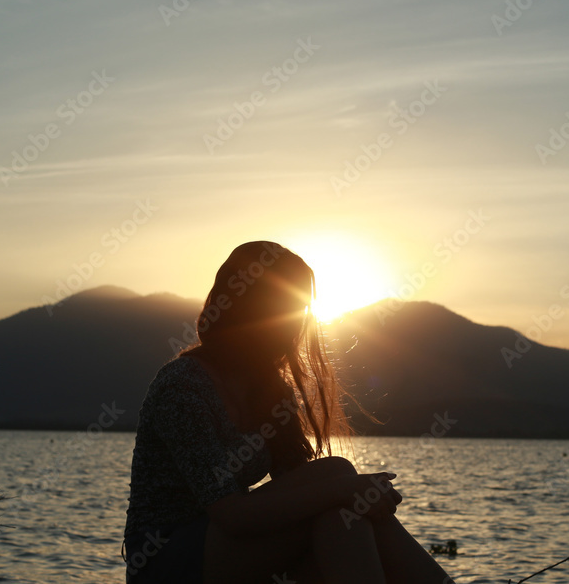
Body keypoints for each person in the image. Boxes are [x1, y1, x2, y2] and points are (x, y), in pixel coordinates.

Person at [122, 240, 454, 583]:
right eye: (286, 306)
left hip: (227, 548)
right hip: (165, 558)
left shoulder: (267, 388)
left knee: (340, 506)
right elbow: (231, 514)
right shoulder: (182, 386)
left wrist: (353, 494)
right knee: (339, 489)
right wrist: (345, 490)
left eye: (300, 309)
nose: (296, 323)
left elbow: (298, 484)